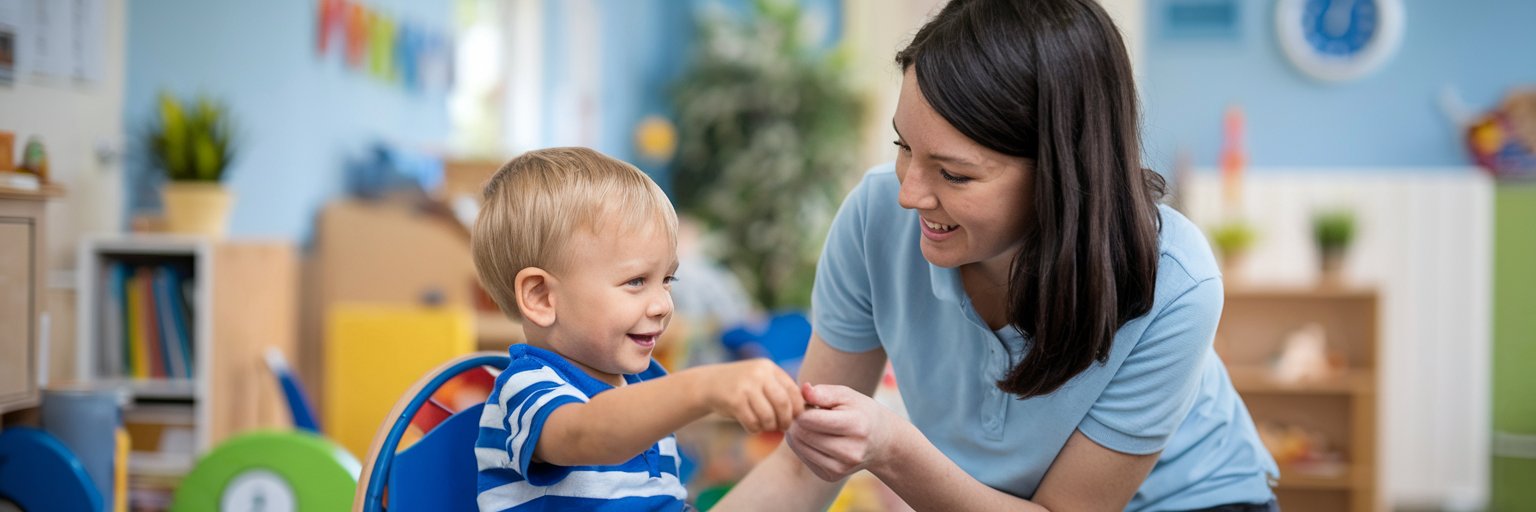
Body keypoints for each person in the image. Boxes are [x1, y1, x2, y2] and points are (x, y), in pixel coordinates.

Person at [716, 0, 1280, 510]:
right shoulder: (874, 218)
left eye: (954, 173)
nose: (909, 194)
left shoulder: (1176, 282)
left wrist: (891, 448)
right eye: (902, 147)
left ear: (1062, 174)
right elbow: (803, 463)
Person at [470, 147, 805, 511]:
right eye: (635, 281)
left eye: (667, 279)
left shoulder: (643, 386)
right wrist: (702, 387)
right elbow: (588, 433)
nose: (663, 304)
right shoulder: (528, 386)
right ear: (541, 297)